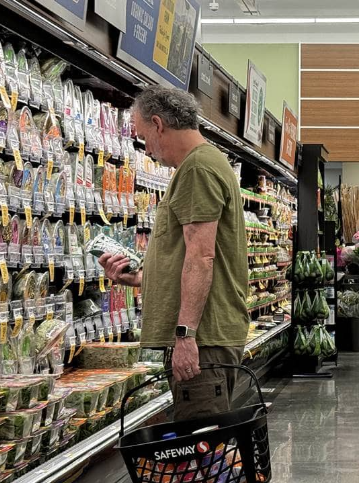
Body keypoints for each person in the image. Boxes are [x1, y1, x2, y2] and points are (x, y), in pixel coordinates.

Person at [98, 86, 248, 421]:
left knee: (200, 450)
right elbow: (189, 256)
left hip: (204, 339)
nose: (147, 148)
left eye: (143, 136)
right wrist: (139, 278)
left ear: (158, 124)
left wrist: (186, 336)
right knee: (203, 448)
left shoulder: (198, 168)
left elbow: (201, 257)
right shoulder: (202, 164)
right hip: (206, 336)